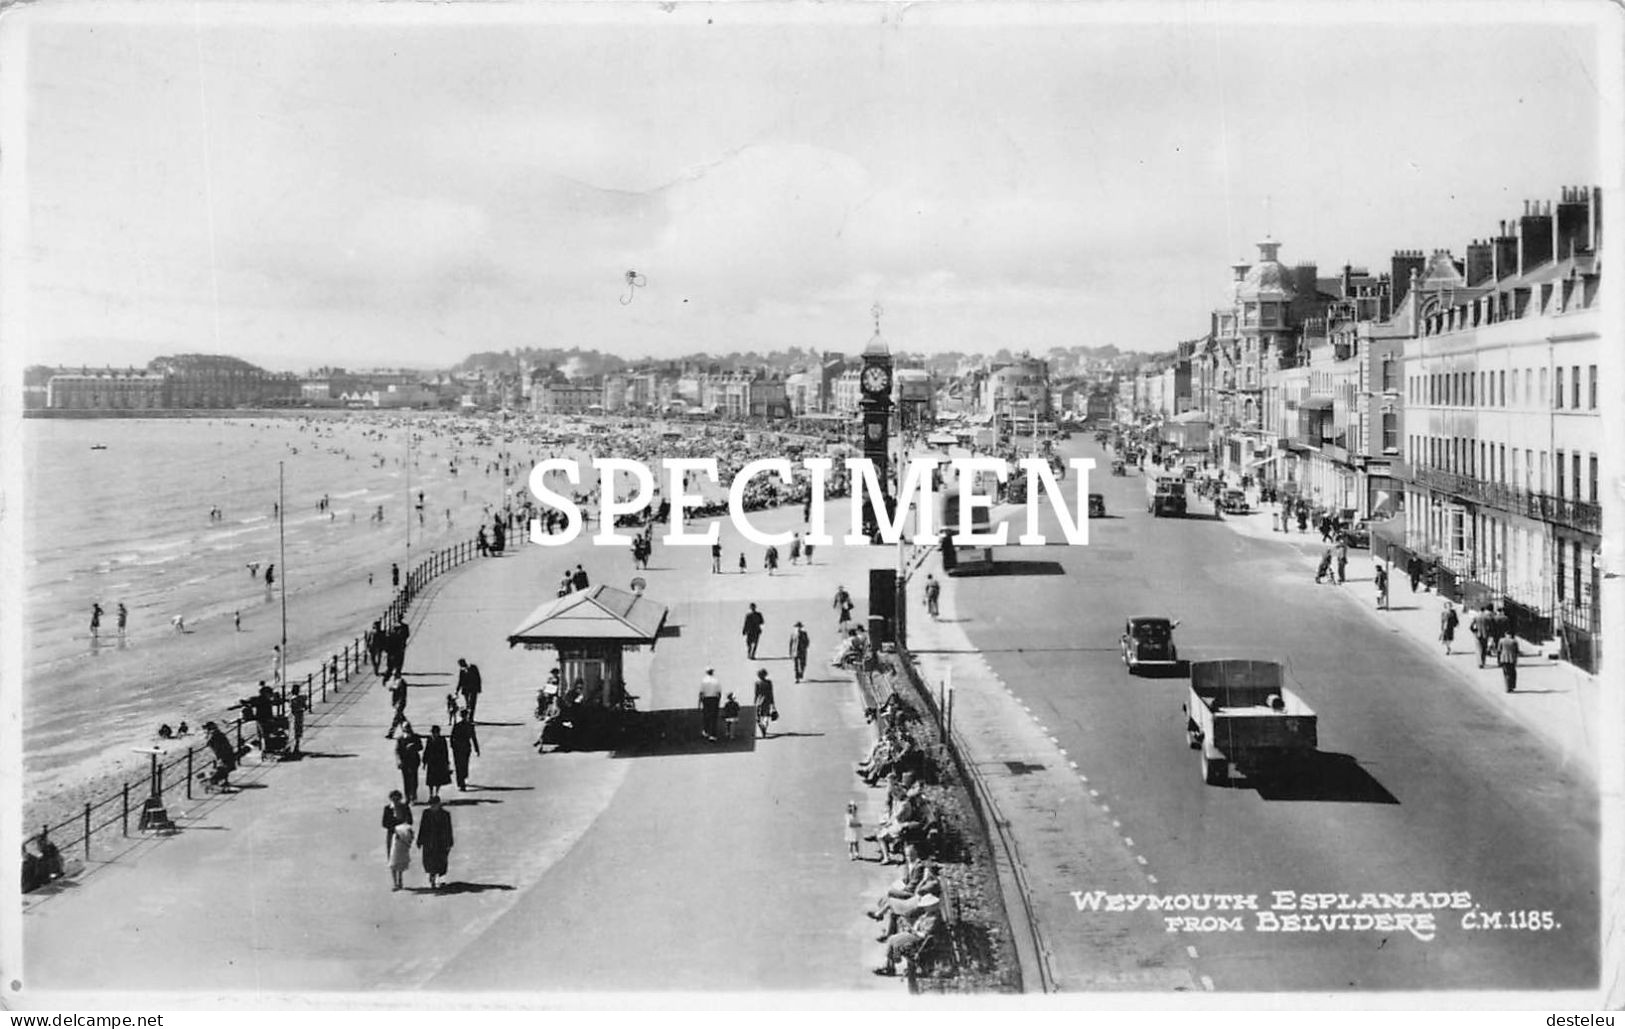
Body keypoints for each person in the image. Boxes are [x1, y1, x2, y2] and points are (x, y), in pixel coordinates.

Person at [873, 895, 944, 977]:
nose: (925, 908)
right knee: (892, 939)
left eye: (927, 906)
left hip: (918, 939)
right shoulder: (926, 915)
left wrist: (913, 931)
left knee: (894, 940)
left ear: (932, 906)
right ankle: (890, 964)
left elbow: (924, 935)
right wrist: (910, 928)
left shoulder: (933, 919)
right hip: (914, 936)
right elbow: (917, 926)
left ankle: (892, 963)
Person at [416, 795, 454, 890]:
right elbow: (422, 827)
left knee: (442, 861)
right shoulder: (426, 813)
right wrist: (419, 841)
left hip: (441, 842)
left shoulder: (445, 814)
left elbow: (449, 829)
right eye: (431, 805)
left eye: (434, 805)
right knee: (430, 861)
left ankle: (441, 880)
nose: (433, 807)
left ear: (439, 804)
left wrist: (449, 842)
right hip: (429, 841)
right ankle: (432, 878)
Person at [450, 710, 480, 790]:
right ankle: (461, 783)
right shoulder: (458, 725)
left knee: (464, 765)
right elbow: (452, 737)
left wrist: (476, 749)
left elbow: (473, 737)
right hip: (459, 748)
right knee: (459, 765)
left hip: (465, 748)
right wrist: (453, 746)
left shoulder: (469, 726)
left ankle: (462, 779)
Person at [422, 724, 451, 801]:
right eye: (432, 732)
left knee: (438, 780)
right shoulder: (429, 740)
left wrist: (447, 763)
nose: (433, 734)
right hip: (431, 762)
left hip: (439, 762)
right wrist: (424, 762)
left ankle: (436, 794)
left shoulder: (442, 740)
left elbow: (445, 752)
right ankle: (431, 794)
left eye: (435, 732)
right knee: (430, 781)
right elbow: (426, 751)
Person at [395, 724, 423, 803]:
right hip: (405, 762)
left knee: (414, 779)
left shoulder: (415, 737)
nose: (407, 731)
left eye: (408, 729)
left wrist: (414, 746)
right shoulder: (400, 739)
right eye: (405, 729)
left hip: (414, 761)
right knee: (406, 780)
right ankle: (407, 797)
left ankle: (413, 795)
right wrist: (399, 761)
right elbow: (397, 751)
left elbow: (421, 747)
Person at [381, 790, 413, 858]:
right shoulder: (387, 809)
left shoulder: (405, 808)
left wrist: (403, 826)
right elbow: (384, 823)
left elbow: (410, 821)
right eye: (394, 799)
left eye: (397, 799)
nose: (395, 801)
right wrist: (392, 827)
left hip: (402, 833)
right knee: (391, 851)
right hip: (392, 832)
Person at [388, 818, 414, 892]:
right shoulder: (407, 827)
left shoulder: (405, 827)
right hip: (399, 845)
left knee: (396, 863)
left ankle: (397, 882)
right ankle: (397, 882)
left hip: (399, 845)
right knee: (396, 862)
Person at [698, 667, 723, 741]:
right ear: (712, 672)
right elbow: (719, 692)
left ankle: (706, 731)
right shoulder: (716, 681)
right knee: (714, 717)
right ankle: (713, 734)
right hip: (714, 699)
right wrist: (718, 701)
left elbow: (701, 692)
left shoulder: (704, 681)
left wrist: (699, 702)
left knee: (706, 715)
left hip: (706, 699)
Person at [753, 668, 778, 738]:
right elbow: (771, 693)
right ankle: (764, 726)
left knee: (758, 716)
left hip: (759, 701)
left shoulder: (757, 683)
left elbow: (756, 693)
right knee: (766, 715)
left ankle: (762, 727)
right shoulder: (769, 682)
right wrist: (773, 703)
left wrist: (754, 702)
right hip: (767, 700)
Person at [288, 683, 307, 755]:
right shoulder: (301, 698)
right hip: (299, 715)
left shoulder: (292, 698)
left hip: (293, 715)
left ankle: (293, 747)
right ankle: (296, 746)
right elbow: (305, 707)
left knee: (293, 730)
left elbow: (291, 707)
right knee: (298, 730)